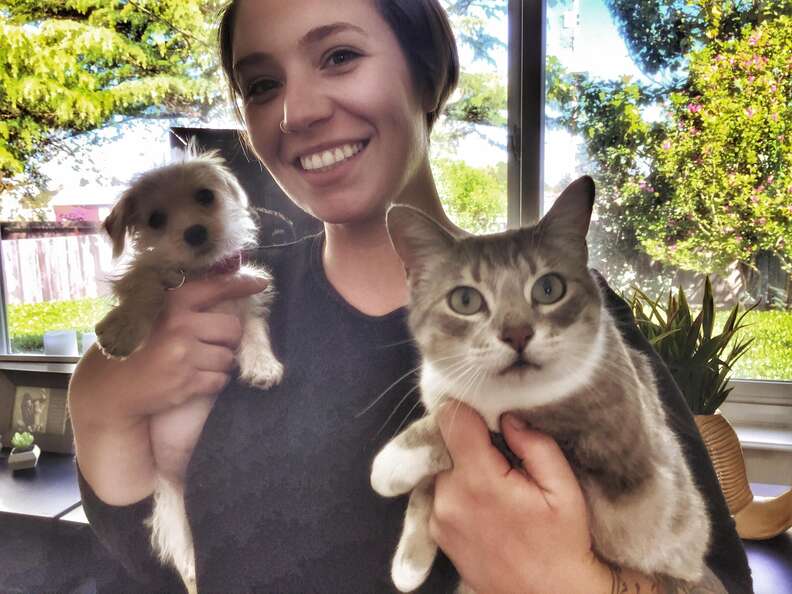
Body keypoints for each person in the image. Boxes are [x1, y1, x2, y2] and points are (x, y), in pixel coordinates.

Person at [68, 1, 753, 592]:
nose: (296, 111)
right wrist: (97, 409)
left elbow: (720, 576)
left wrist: (578, 583)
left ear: (429, 75)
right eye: (262, 84)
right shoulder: (220, 309)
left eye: (338, 56)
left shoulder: (572, 315)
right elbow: (149, 573)